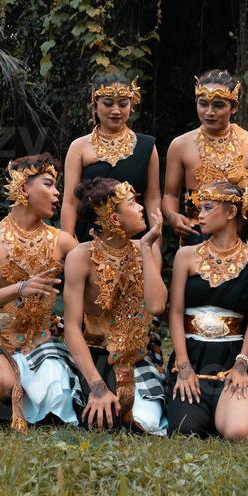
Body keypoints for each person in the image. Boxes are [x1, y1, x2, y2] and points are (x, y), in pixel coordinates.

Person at [0, 155, 80, 432]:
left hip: (44, 341)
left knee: (60, 387)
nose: (57, 193)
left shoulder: (64, 242)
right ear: (24, 189)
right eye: (49, 184)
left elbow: (91, 285)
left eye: (57, 186)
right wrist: (20, 288)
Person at [63, 178, 167, 433]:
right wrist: (97, 387)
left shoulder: (148, 249)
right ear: (115, 219)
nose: (142, 208)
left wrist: (144, 247)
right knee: (99, 420)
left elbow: (156, 306)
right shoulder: (80, 257)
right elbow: (72, 328)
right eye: (133, 203)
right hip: (95, 355)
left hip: (139, 355)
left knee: (148, 423)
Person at [166, 181, 248, 440]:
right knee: (185, 430)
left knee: (237, 433)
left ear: (230, 213)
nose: (200, 216)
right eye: (199, 209)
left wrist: (242, 363)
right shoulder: (186, 255)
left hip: (232, 357)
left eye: (207, 208)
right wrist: (183, 366)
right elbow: (175, 313)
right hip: (192, 355)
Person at [162, 69, 248, 245]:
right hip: (199, 231)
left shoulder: (246, 139)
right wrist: (173, 217)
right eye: (203, 104)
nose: (209, 112)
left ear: (233, 107)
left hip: (240, 231)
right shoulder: (180, 145)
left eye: (218, 105)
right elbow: (170, 194)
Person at [61, 73, 161, 242]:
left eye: (123, 104)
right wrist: (68, 241)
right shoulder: (79, 147)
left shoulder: (147, 146)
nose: (116, 110)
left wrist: (156, 241)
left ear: (131, 105)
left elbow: (152, 198)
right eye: (108, 103)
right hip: (90, 235)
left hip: (135, 235)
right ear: (95, 105)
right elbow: (70, 202)